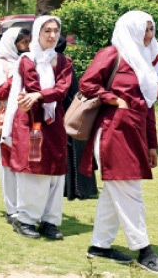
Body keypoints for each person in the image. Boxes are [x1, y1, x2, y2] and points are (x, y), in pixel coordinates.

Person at [78, 10, 158, 274]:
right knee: (130, 191)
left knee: (114, 191)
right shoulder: (112, 53)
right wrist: (112, 98)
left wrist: (152, 144)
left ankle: (100, 245)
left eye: (152, 30)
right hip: (112, 133)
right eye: (144, 29)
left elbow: (148, 106)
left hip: (134, 134)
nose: (149, 35)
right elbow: (87, 83)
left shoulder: (145, 62)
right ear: (131, 29)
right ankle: (144, 250)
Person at [0, 16, 73, 240]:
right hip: (32, 123)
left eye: (55, 31)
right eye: (47, 31)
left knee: (55, 173)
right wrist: (9, 128)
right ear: (37, 33)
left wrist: (39, 95)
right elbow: (23, 91)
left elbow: (62, 90)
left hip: (54, 124)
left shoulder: (63, 62)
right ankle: (26, 219)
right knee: (33, 170)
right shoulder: (26, 60)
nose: (52, 35)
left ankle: (50, 220)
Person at [0, 27, 31, 224]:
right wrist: (17, 76)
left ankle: (24, 206)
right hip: (6, 122)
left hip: (25, 120)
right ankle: (11, 208)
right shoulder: (0, 65)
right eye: (23, 43)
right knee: (8, 165)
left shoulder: (27, 62)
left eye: (28, 42)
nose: (26, 46)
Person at [56, 34, 98, 201]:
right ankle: (78, 188)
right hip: (70, 108)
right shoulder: (65, 62)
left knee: (69, 148)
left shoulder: (60, 63)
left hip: (64, 109)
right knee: (75, 149)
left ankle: (70, 188)